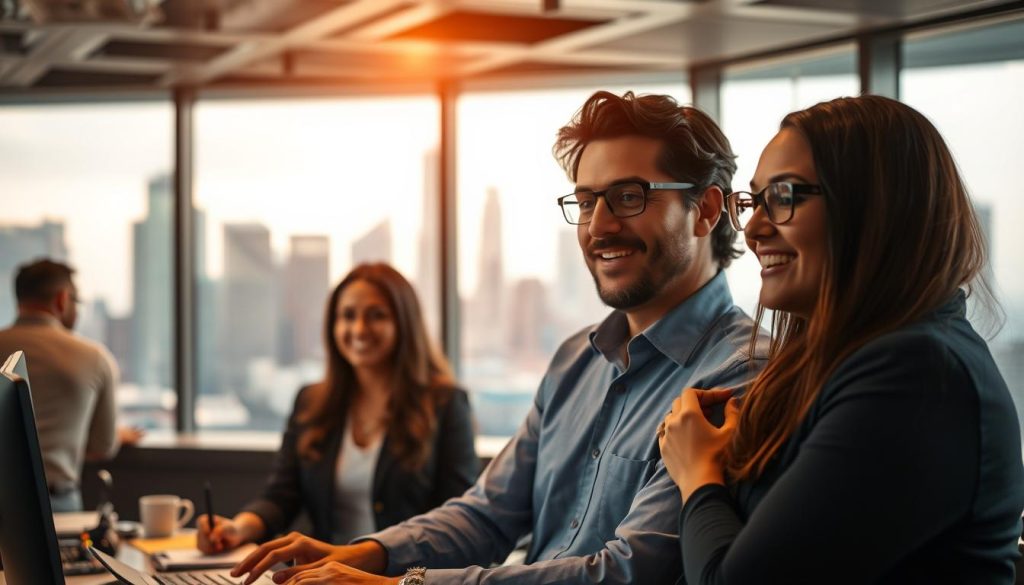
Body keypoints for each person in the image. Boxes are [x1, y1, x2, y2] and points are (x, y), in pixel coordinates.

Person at [230, 91, 768, 585]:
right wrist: (360, 554)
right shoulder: (575, 360)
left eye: (628, 197)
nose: (599, 226)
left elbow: (628, 573)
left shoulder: (740, 371)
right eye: (585, 202)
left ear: (706, 210)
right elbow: (488, 513)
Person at [659, 95, 1024, 584]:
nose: (753, 228)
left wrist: (698, 474)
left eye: (784, 197)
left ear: (875, 206)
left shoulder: (918, 376)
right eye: (752, 201)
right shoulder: (842, 362)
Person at [198, 263, 479, 553]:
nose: (359, 329)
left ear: (404, 323)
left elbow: (456, 522)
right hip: (325, 575)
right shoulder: (310, 402)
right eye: (347, 316)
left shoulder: (445, 403)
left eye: (376, 315)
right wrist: (238, 528)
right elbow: (281, 495)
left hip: (403, 578)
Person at [0, 258, 142, 512]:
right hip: (56, 505)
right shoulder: (94, 357)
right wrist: (117, 435)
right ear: (62, 299)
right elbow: (103, 447)